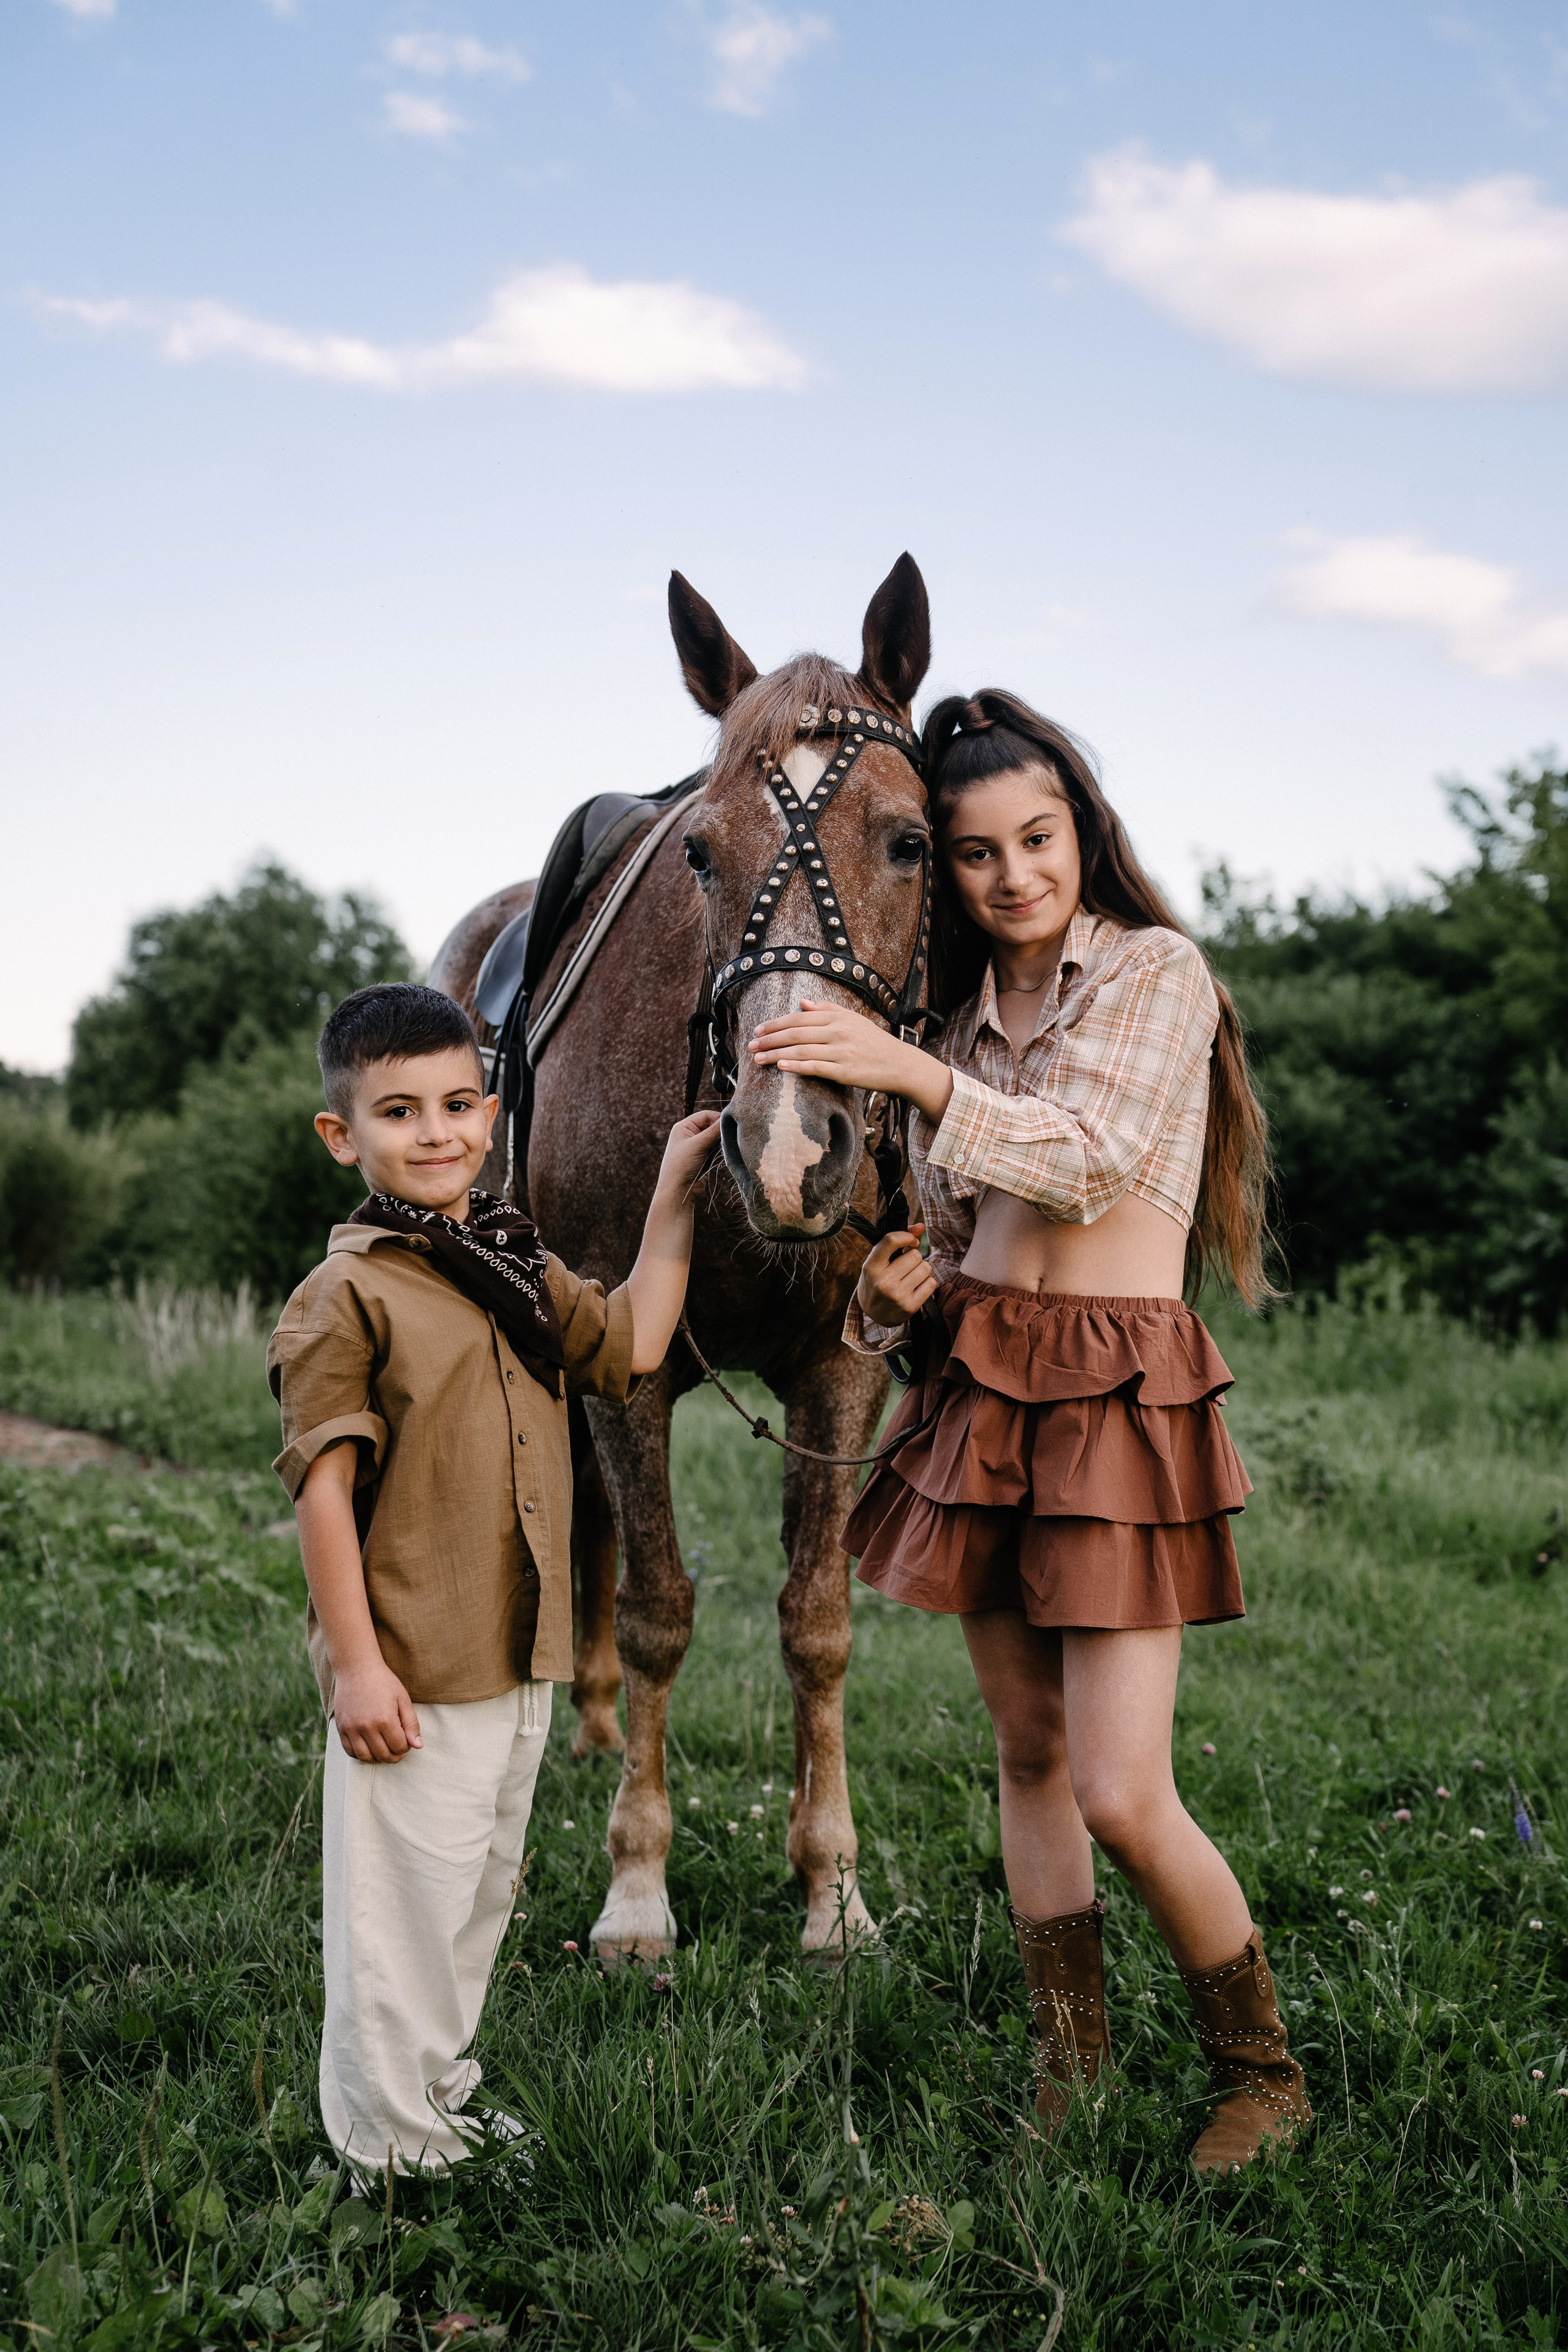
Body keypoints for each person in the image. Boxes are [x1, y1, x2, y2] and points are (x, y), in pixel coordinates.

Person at [749, 690, 1308, 2176]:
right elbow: (949, 1227)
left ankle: (1262, 2072)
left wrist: (913, 1080)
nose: (1011, 876)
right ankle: (1075, 2065)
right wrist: (885, 1302)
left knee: (1124, 1789)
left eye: (1037, 838)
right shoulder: (948, 1024)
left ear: (1081, 829)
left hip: (1118, 1396)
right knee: (1029, 1757)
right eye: (974, 851)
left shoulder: (1152, 974)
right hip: (981, 1386)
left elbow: (1086, 1162)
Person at [268, 982, 717, 2177]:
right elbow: (320, 1492)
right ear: (342, 1136)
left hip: (523, 1649)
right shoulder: (346, 1296)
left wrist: (671, 1197)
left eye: (458, 1104)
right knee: (399, 1914)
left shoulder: (511, 1268)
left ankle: (441, 2090)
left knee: (475, 1895)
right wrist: (356, 1668)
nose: (436, 1132)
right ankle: (387, 2147)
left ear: (490, 1108)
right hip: (414, 1660)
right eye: (399, 1111)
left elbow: (629, 1342)